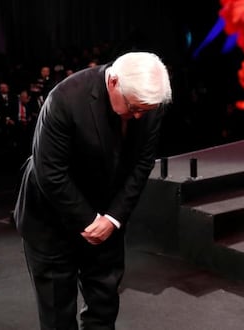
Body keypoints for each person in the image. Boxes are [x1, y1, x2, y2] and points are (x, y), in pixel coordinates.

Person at [13, 51, 172, 330]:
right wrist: (89, 220)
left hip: (107, 216)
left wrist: (112, 218)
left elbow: (142, 163)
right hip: (51, 216)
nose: (138, 116)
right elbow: (50, 171)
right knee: (57, 313)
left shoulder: (149, 101)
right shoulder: (65, 98)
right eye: (133, 107)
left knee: (104, 305)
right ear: (113, 82)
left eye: (145, 110)